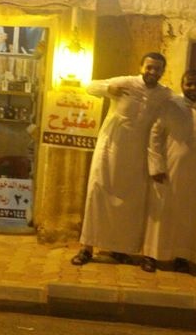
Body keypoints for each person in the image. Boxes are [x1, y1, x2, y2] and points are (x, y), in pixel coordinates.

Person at [71, 52, 172, 265]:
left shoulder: (164, 94)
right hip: (109, 150)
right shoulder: (126, 82)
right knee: (97, 195)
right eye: (149, 67)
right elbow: (89, 86)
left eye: (157, 68)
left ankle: (119, 248)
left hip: (137, 156)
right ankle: (87, 248)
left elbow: (183, 102)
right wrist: (109, 89)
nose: (153, 72)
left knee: (130, 203)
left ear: (163, 71)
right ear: (141, 67)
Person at [141, 69, 196, 273]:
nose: (193, 88)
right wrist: (156, 166)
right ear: (182, 85)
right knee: (162, 212)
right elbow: (155, 135)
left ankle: (182, 257)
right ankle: (151, 255)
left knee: (191, 215)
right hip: (170, 170)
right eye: (189, 84)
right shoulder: (170, 105)